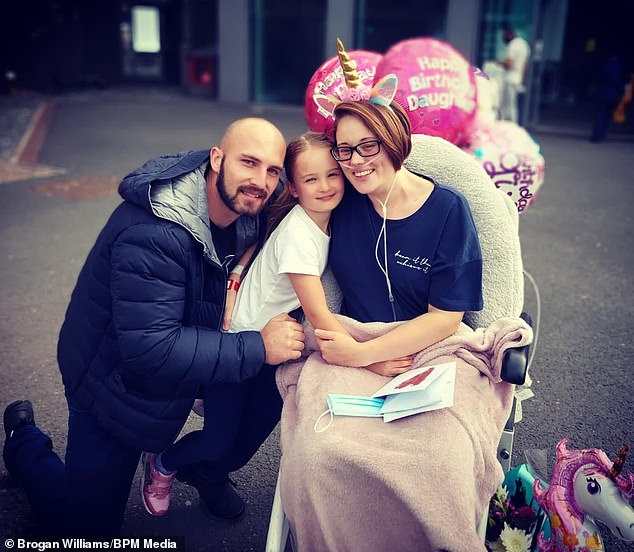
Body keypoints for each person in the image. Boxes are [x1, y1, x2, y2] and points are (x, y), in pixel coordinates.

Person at [2, 117, 306, 537]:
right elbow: (151, 348)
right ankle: (23, 443)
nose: (260, 180)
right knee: (86, 530)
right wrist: (257, 347)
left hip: (156, 387)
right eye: (248, 163)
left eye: (272, 171)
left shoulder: (245, 212)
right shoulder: (155, 233)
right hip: (109, 387)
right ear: (217, 159)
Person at [139, 131, 353, 516]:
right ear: (293, 187)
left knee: (241, 447)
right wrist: (373, 359)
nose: (324, 186)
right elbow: (319, 316)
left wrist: (238, 275)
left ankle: (209, 473)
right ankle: (163, 463)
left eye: (333, 174)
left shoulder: (323, 221)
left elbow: (260, 242)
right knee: (219, 442)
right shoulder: (301, 236)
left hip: (272, 347)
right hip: (237, 345)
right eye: (310, 179)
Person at [498, 23, 531, 124]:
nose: (503, 38)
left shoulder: (513, 45)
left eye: (504, 35)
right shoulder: (524, 44)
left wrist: (499, 63)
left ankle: (509, 125)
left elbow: (509, 63)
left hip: (510, 78)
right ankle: (513, 125)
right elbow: (525, 66)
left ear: (509, 34)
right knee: (513, 106)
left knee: (506, 106)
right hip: (518, 79)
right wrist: (521, 78)